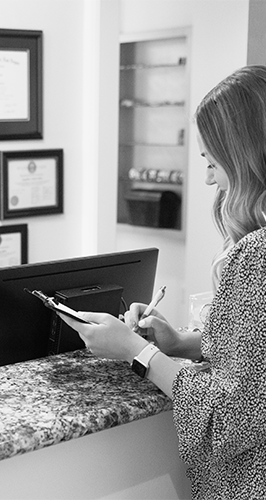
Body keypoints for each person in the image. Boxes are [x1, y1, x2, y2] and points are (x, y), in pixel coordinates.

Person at [60, 65, 266, 499]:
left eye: (213, 162)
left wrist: (139, 351)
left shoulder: (256, 256)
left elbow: (230, 420)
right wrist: (181, 343)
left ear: (244, 155)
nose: (210, 179)